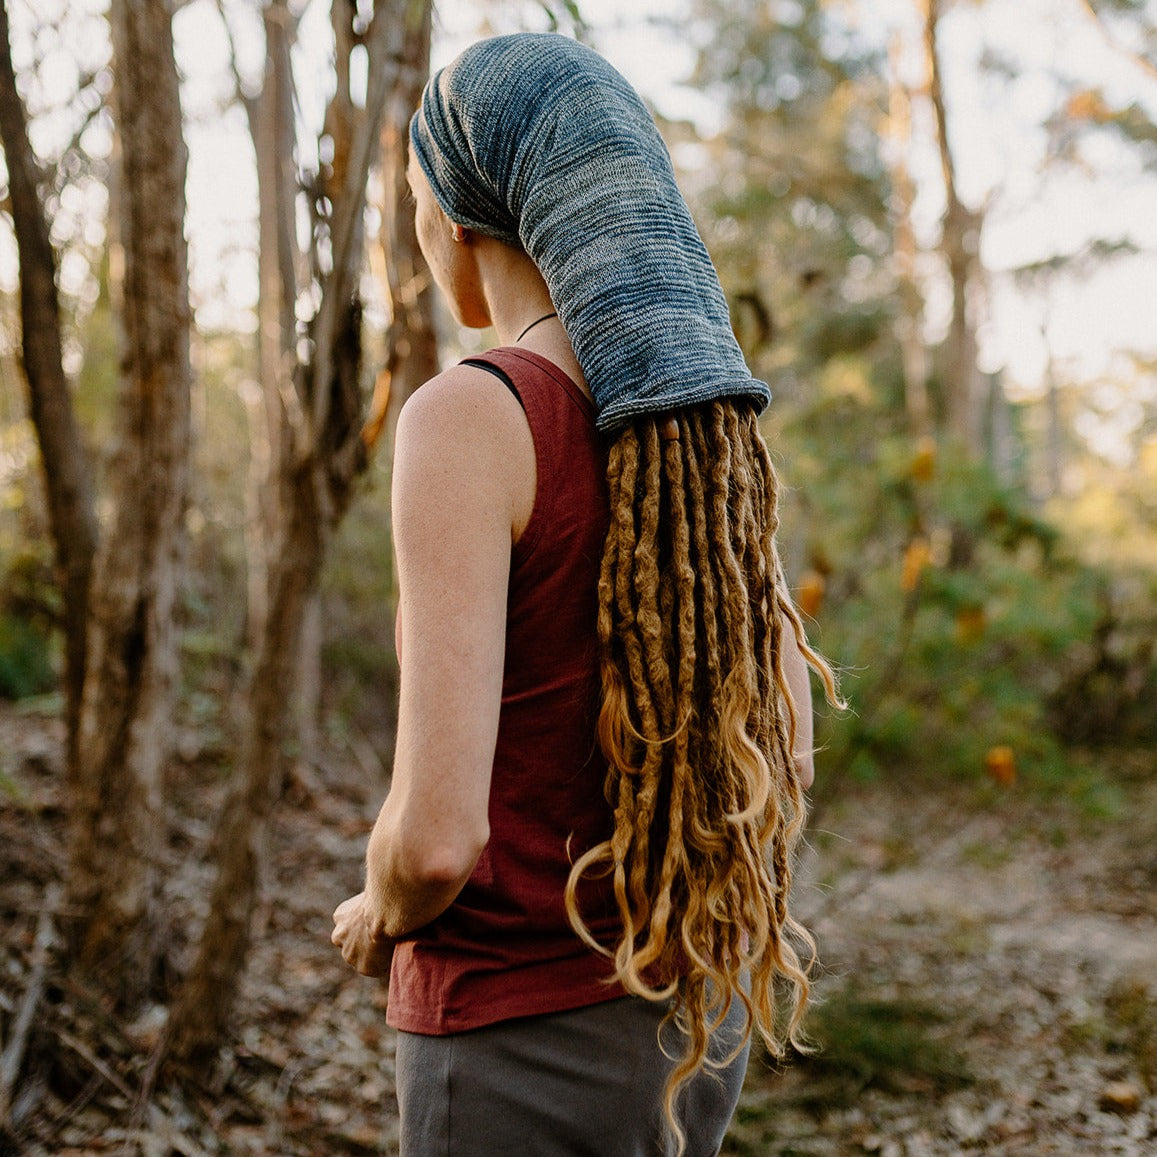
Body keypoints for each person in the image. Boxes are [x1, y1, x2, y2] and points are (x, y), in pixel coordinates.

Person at [332, 32, 841, 1156]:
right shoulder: (698, 429)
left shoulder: (470, 418)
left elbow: (434, 843)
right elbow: (788, 748)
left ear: (459, 218)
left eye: (414, 204)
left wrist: (376, 905)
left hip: (515, 1041)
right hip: (692, 1018)